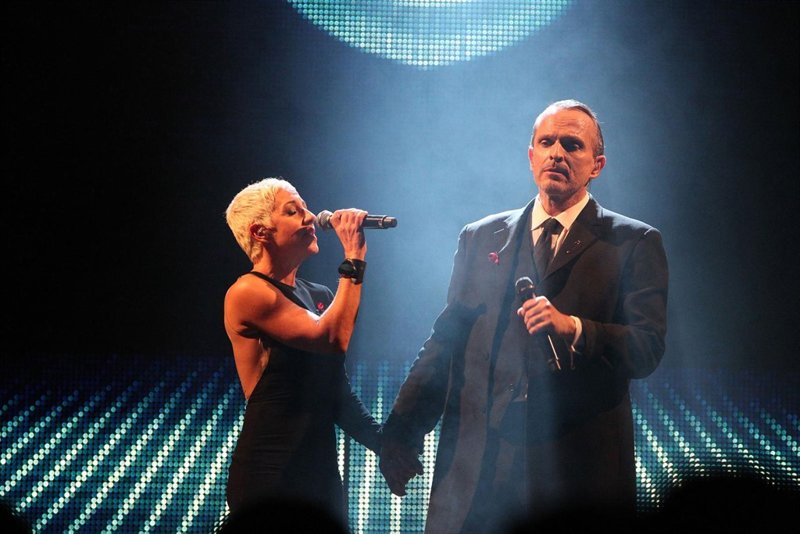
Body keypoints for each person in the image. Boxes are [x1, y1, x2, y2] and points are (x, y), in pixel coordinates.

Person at [379, 100, 669, 533]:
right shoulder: (480, 238)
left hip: (575, 471)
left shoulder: (633, 241)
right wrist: (402, 432)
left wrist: (575, 328)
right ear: (531, 156)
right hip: (478, 470)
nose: (557, 153)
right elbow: (445, 344)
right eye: (546, 142)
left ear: (597, 165)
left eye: (572, 145)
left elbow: (646, 347)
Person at [223, 177, 382, 526]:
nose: (311, 217)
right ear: (260, 232)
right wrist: (354, 256)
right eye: (293, 211)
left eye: (306, 208)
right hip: (271, 472)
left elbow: (336, 392)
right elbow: (331, 339)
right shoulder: (248, 292)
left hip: (320, 473)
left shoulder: (319, 294)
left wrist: (384, 446)